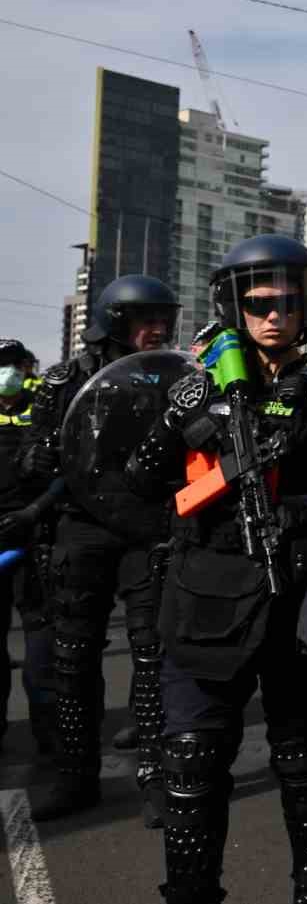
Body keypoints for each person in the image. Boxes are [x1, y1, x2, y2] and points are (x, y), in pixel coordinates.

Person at [124, 235, 307, 904]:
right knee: (191, 761)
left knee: (304, 758)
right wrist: (179, 419)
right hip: (206, 590)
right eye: (259, 302)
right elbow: (141, 480)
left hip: (296, 594)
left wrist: (302, 515)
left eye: (288, 301)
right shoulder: (196, 384)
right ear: (234, 306)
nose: (275, 314)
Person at [1, 274, 180, 822]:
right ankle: (75, 775)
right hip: (81, 526)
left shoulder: (173, 377)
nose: (157, 329)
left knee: (151, 654)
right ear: (115, 322)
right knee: (72, 658)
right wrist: (39, 457)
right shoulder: (63, 381)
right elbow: (34, 455)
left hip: (148, 527)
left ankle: (156, 777)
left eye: (163, 319)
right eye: (145, 319)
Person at [0, 339, 55, 756]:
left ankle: (50, 738)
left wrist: (34, 512)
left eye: (11, 365)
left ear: (25, 367)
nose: (5, 373)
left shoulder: (44, 407)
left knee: (42, 652)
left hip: (36, 538)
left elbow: (68, 469)